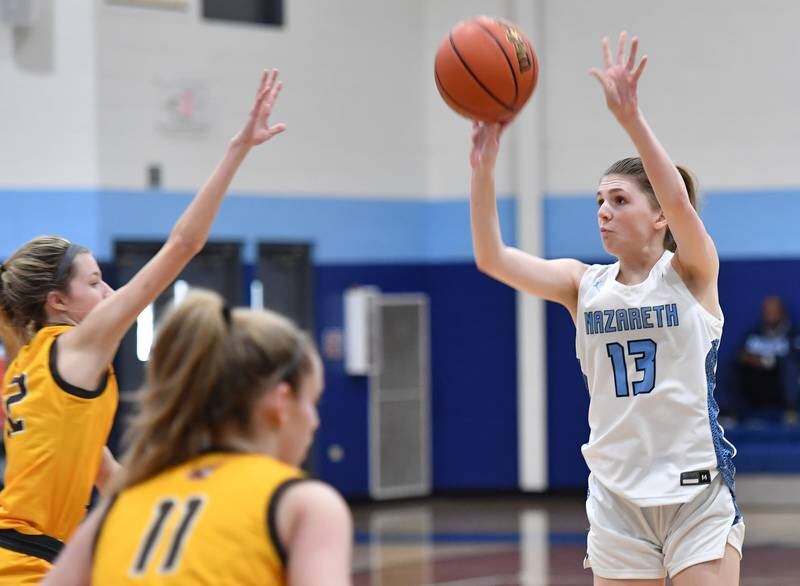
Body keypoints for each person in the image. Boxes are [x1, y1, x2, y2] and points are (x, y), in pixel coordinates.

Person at [469, 33, 742, 585]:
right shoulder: (581, 284)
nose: (604, 211)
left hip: (695, 491)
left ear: (659, 215)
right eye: (599, 200)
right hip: (617, 497)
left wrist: (631, 119)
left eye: (619, 200)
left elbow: (683, 203)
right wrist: (483, 170)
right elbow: (491, 258)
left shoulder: (690, 272)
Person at [0, 68, 287, 583]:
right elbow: (183, 245)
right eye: (95, 283)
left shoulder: (31, 366)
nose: (109, 293)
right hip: (23, 562)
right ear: (58, 301)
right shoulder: (73, 346)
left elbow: (107, 475)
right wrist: (237, 150)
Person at [43, 290, 353, 586]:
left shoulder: (117, 508)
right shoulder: (305, 505)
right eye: (312, 402)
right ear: (281, 402)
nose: (314, 422)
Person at [732, 295, 799, 422]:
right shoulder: (754, 333)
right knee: (729, 366)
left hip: (781, 384)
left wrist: (767, 361)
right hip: (757, 381)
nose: (770, 314)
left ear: (782, 311)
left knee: (790, 367)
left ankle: (791, 413)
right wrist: (755, 361)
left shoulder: (793, 334)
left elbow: (794, 356)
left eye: (774, 310)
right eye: (767, 310)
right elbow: (741, 354)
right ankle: (730, 413)